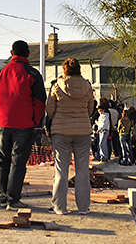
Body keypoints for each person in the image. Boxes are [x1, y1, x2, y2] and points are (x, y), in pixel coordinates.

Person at [0, 40, 46, 211]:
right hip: (24, 124)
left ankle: (2, 197)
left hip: (2, 124)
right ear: (28, 54)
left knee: (2, 161)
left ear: (11, 52)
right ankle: (13, 200)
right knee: (18, 162)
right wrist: (34, 120)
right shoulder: (33, 74)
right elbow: (40, 102)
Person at [45, 57, 93, 216]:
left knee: (61, 170)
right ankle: (83, 208)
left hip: (61, 131)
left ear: (64, 70)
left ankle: (59, 207)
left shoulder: (56, 86)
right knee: (82, 170)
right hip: (83, 131)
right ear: (79, 69)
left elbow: (50, 110)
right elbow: (90, 109)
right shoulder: (87, 86)